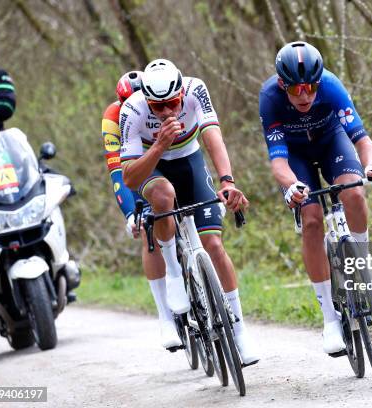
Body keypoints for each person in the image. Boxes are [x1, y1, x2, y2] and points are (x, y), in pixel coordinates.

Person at [120, 59, 259, 365]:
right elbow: (129, 176)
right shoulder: (132, 109)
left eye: (172, 103)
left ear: (181, 93)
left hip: (189, 161)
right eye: (158, 107)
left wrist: (227, 181)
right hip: (152, 167)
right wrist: (158, 145)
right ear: (147, 101)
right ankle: (172, 271)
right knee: (164, 195)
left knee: (213, 244)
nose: (167, 111)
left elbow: (213, 138)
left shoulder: (196, 90)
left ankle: (239, 330)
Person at [259, 41, 372, 354]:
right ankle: (330, 319)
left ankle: (364, 258)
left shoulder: (331, 86)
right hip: (295, 157)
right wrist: (292, 185)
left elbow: (362, 140)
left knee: (354, 192)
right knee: (312, 220)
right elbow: (278, 162)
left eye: (310, 87)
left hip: (331, 142)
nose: (304, 95)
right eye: (296, 89)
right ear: (283, 84)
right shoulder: (270, 98)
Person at [102, 71, 181, 349]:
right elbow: (117, 172)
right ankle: (165, 316)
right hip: (139, 166)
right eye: (126, 103)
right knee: (149, 227)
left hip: (169, 161)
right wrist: (130, 214)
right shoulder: (114, 117)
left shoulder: (164, 101)